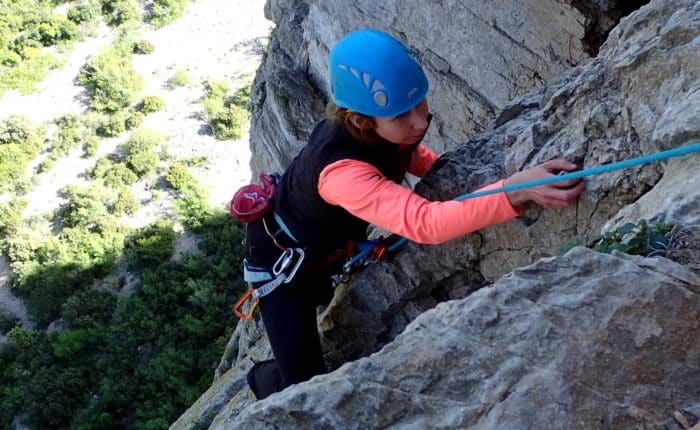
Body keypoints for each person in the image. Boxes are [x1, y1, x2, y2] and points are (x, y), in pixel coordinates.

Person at [243, 29, 584, 400]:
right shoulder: (342, 174)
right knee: (300, 384)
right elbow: (426, 224)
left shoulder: (384, 127)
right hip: (281, 265)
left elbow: (408, 153)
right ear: (362, 120)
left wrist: (450, 173)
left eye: (420, 103)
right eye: (403, 115)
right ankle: (259, 376)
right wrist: (516, 189)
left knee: (321, 305)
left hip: (324, 243)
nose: (420, 122)